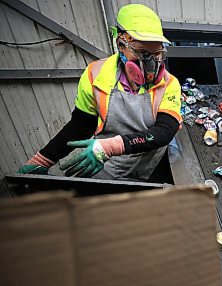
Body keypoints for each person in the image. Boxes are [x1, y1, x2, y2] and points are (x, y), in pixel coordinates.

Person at [18, 4, 181, 181]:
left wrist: (109, 147)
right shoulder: (95, 76)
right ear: (120, 44)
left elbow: (164, 131)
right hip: (106, 165)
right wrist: (42, 160)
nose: (150, 63)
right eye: (141, 52)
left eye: (156, 54)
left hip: (148, 167)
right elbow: (81, 126)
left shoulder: (169, 83)